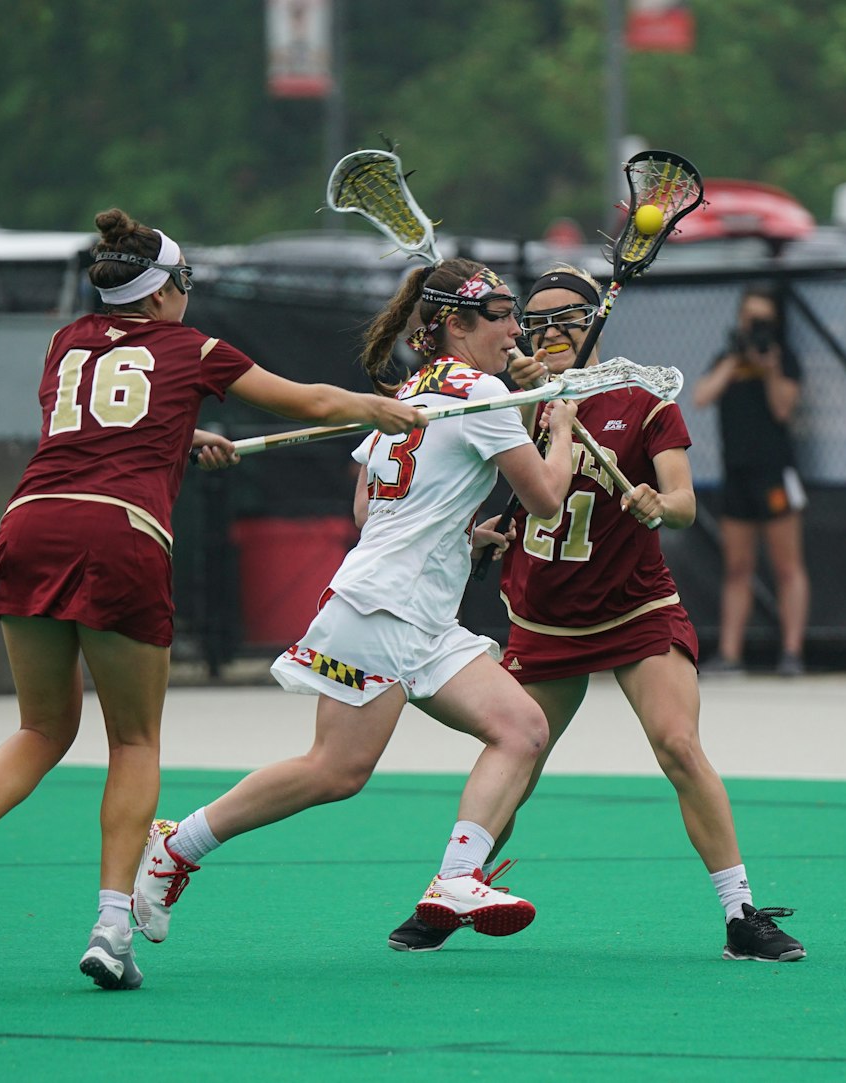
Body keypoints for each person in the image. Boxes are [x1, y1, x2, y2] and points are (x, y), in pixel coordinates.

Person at [0, 207, 427, 991]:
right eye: (184, 283)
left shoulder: (65, 342)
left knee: (42, 725)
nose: (188, 296)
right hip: (121, 535)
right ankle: (112, 928)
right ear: (159, 296)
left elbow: (95, 424)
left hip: (31, 521)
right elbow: (310, 403)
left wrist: (180, 435)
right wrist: (377, 407)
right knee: (134, 741)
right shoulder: (194, 348)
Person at [129, 258, 579, 958]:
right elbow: (548, 498)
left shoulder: (413, 389)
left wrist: (459, 532)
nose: (517, 329)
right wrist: (562, 426)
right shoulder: (482, 391)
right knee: (334, 771)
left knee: (522, 727)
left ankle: (458, 877)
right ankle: (175, 846)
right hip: (378, 609)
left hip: (422, 614)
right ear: (456, 325)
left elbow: (369, 507)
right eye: (503, 315)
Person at [387, 265, 806, 963]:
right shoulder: (503, 400)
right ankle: (451, 888)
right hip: (543, 619)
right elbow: (455, 482)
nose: (549, 332)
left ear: (595, 324)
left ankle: (741, 914)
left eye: (567, 319)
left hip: (636, 609)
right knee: (515, 761)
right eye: (537, 319)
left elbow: (683, 503)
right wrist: (480, 526)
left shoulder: (642, 401)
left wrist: (652, 501)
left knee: (678, 745)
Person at [692, 286, 810, 677]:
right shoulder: (727, 358)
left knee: (786, 565)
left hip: (774, 473)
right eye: (749, 317)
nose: (754, 325)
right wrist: (734, 361)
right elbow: (700, 397)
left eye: (762, 319)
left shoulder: (783, 359)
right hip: (736, 475)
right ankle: (730, 654)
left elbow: (782, 408)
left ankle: (791, 653)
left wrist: (770, 367)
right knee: (737, 567)